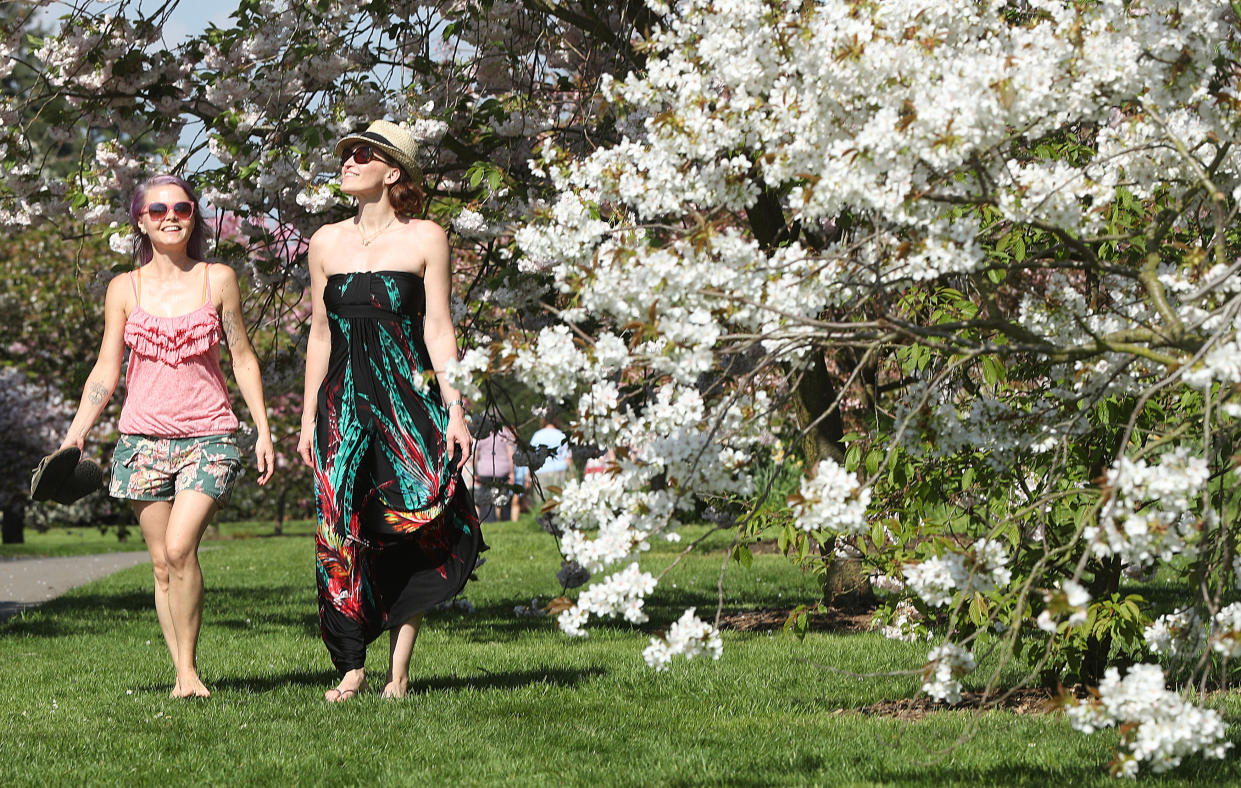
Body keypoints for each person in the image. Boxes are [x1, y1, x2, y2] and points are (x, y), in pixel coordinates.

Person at [59, 173, 274, 699]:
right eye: (157, 210)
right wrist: (75, 435)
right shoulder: (123, 289)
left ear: (194, 216)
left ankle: (188, 673)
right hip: (141, 442)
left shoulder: (218, 279)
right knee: (161, 565)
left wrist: (264, 430)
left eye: (181, 207)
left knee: (180, 549)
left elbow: (243, 357)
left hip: (210, 435)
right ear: (140, 220)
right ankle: (185, 673)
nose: (170, 216)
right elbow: (107, 369)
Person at [297, 120, 486, 702]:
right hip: (342, 407)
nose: (348, 161)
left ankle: (398, 673)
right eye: (346, 154)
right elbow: (321, 336)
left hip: (409, 404)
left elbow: (437, 328)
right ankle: (351, 663)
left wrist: (455, 409)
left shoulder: (427, 237)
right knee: (338, 531)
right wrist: (307, 417)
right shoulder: (323, 242)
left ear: (392, 170)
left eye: (362, 154)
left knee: (411, 525)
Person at [472, 423, 516, 522]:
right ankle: (505, 519)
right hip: (502, 470)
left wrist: (475, 472)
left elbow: (475, 453)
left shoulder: (482, 432)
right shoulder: (505, 432)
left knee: (486, 498)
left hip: (485, 470)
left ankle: (489, 520)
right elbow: (510, 453)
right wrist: (512, 472)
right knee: (504, 495)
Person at [529, 415, 573, 512]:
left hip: (541, 472)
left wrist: (528, 476)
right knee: (560, 502)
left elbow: (531, 457)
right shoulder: (561, 435)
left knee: (543, 504)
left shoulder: (537, 435)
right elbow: (568, 458)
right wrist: (572, 475)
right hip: (560, 471)